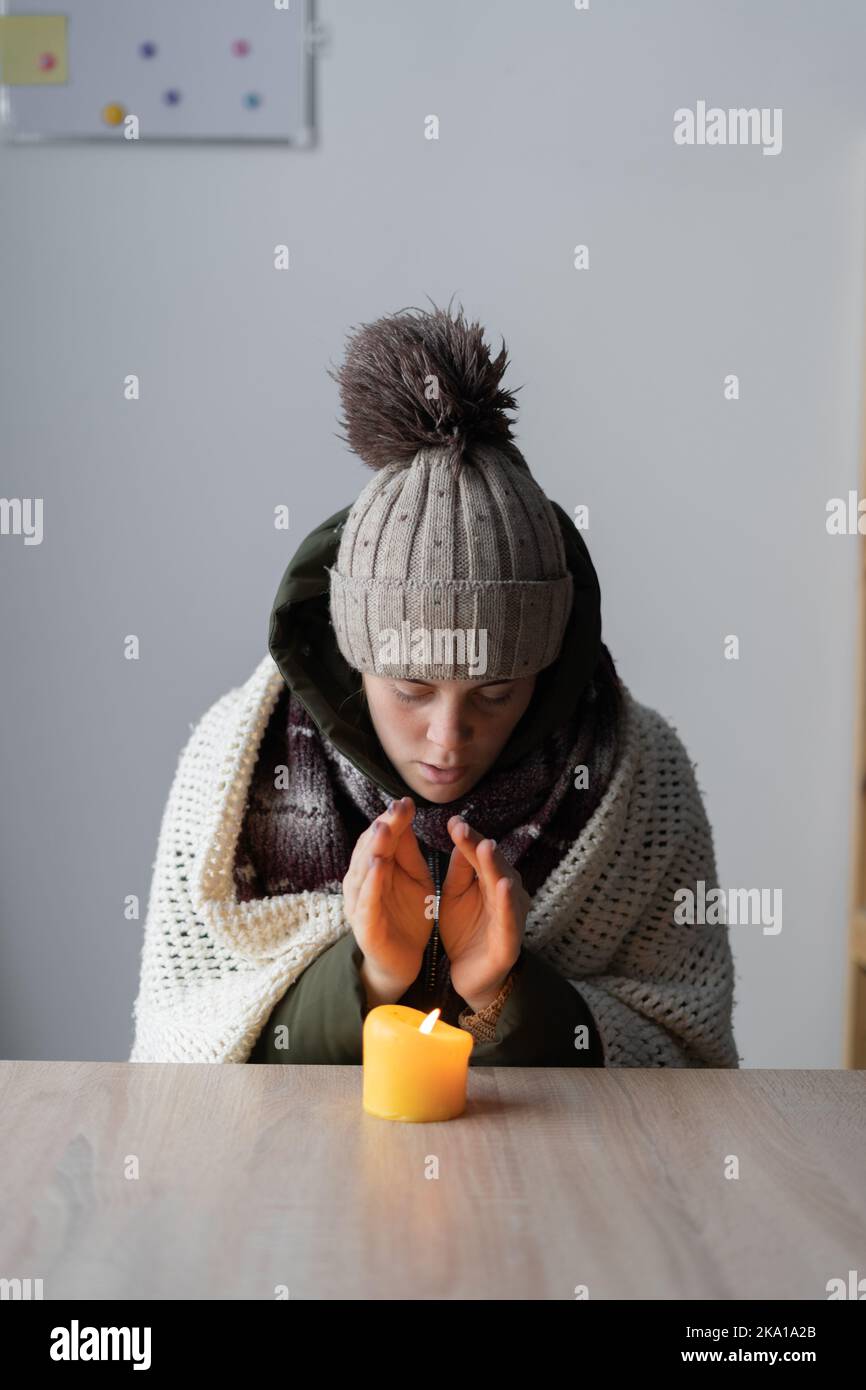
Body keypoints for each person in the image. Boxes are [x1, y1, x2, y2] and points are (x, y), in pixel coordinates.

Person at [129, 300, 740, 1068]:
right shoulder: (234, 765)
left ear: (545, 668)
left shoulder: (640, 775)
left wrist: (503, 997)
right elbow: (175, 1062)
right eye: (412, 689)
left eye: (495, 691)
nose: (448, 741)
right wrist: (368, 977)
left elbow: (692, 1065)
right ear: (354, 657)